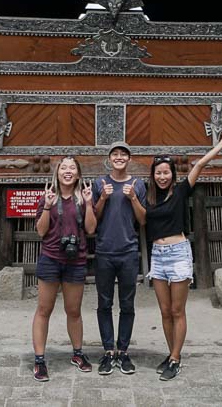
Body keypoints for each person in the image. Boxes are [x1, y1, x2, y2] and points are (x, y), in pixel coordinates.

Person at [147, 128, 222, 381]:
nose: (162, 177)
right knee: (164, 311)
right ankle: (171, 354)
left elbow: (200, 163)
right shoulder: (149, 198)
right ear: (153, 175)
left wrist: (221, 143)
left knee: (178, 311)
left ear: (172, 174)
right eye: (158, 173)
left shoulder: (181, 191)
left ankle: (176, 358)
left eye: (166, 172)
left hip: (178, 253)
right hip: (158, 255)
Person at [31, 156, 97, 382]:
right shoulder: (48, 196)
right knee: (44, 310)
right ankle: (39, 359)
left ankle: (78, 354)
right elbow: (40, 231)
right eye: (63, 168)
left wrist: (89, 203)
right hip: (50, 258)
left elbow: (90, 229)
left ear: (78, 174)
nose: (67, 171)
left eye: (72, 168)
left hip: (76, 260)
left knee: (74, 311)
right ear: (57, 173)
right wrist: (48, 206)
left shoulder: (83, 197)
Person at [91, 141, 146, 375]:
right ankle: (107, 352)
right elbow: (93, 219)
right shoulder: (99, 183)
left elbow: (143, 220)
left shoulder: (138, 184)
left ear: (129, 159)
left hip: (128, 252)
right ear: (109, 158)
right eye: (115, 154)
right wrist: (102, 198)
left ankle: (123, 352)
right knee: (104, 304)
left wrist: (133, 198)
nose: (120, 157)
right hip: (104, 251)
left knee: (127, 304)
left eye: (124, 154)